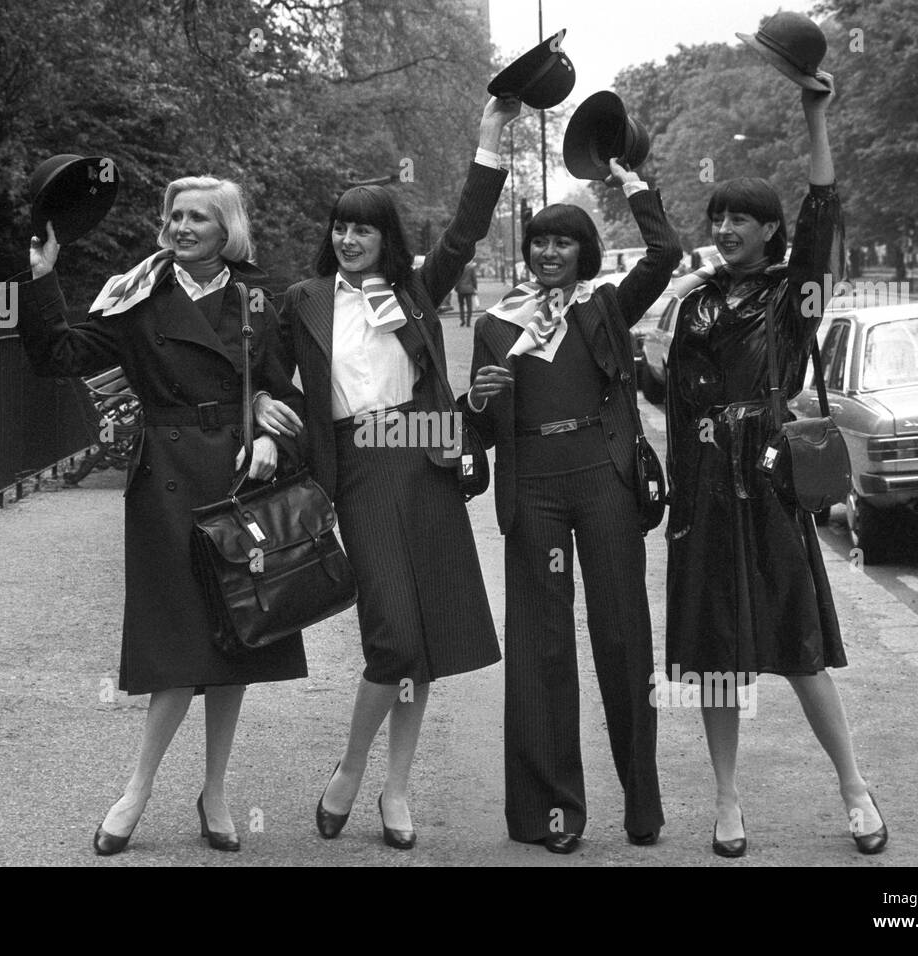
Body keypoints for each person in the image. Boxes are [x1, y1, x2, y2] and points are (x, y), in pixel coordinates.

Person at [256, 95, 522, 849]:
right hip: (360, 471)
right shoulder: (302, 301)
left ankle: (396, 789)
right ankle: (350, 768)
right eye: (340, 227)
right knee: (394, 636)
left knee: (429, 636)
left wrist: (488, 139)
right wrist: (265, 414)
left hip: (425, 458)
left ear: (385, 237)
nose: (348, 239)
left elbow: (468, 230)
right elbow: (266, 376)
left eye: (363, 228)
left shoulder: (414, 292)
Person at [18, 176, 307, 855]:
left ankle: (215, 793)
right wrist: (40, 278)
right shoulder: (138, 293)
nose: (181, 227)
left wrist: (271, 432)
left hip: (238, 476)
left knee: (242, 636)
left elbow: (279, 384)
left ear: (225, 228)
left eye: (198, 217)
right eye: (174, 215)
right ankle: (136, 791)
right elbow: (56, 354)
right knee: (177, 647)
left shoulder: (257, 297)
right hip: (168, 482)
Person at [664, 73, 889, 857]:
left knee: (801, 651)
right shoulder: (693, 303)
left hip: (764, 485)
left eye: (741, 218)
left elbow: (825, 215)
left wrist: (815, 114)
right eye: (718, 216)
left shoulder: (793, 298)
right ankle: (727, 803)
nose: (725, 227)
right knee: (715, 661)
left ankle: (855, 789)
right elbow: (676, 402)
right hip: (703, 495)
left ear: (769, 230)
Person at [465, 160, 681, 854]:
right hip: (533, 486)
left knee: (623, 637)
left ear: (583, 251)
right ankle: (551, 815)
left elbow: (666, 254)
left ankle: (642, 806)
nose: (549, 252)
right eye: (539, 242)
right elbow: (472, 427)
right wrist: (477, 400)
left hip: (603, 477)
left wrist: (633, 182)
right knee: (541, 648)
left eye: (563, 242)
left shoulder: (605, 306)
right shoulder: (496, 326)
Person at [455, 261, 479, 326]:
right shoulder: (471, 268)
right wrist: (475, 288)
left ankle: (462, 320)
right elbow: (474, 279)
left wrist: (456, 288)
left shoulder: (459, 268)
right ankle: (468, 322)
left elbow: (456, 278)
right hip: (469, 289)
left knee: (461, 305)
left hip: (460, 289)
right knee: (469, 306)